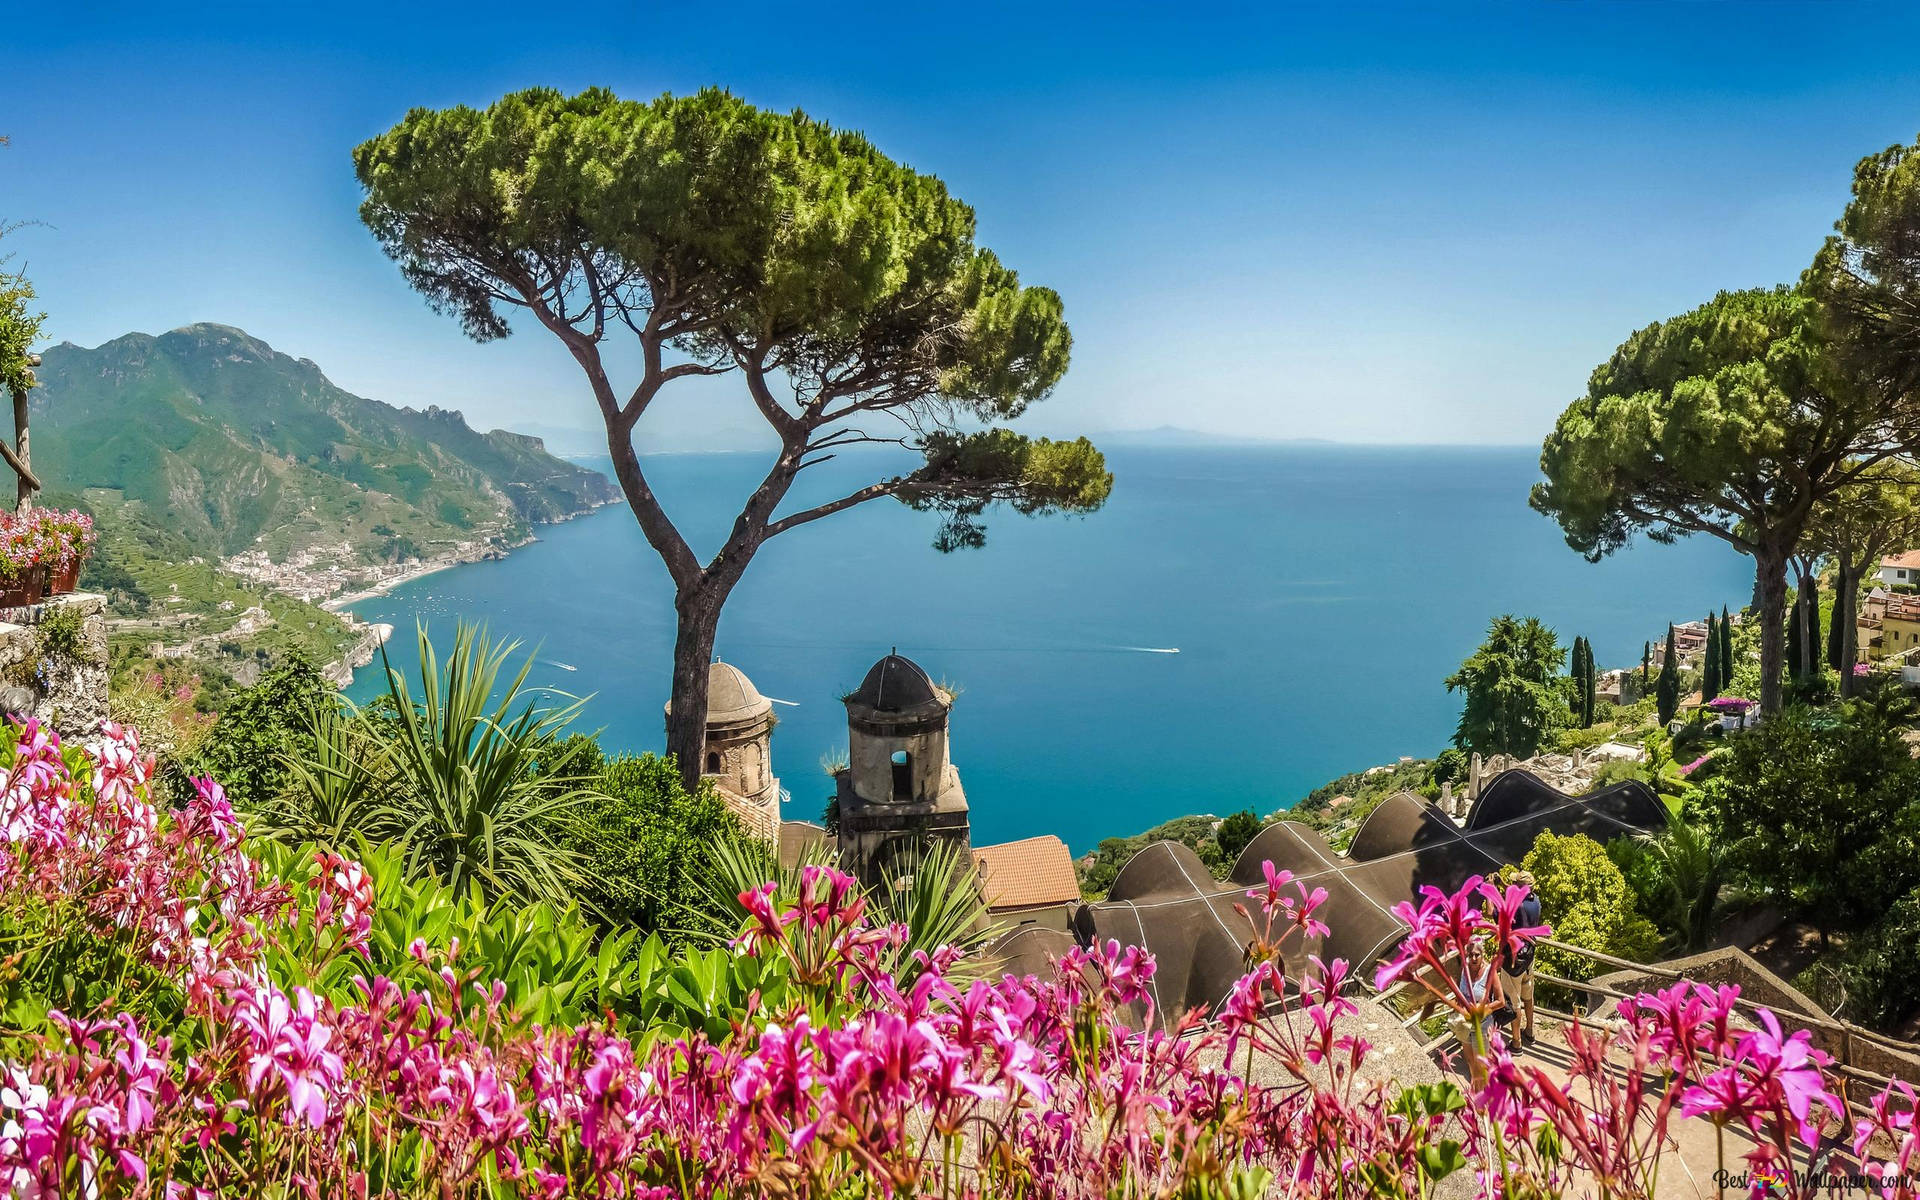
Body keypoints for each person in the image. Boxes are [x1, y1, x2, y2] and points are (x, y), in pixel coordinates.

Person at [1449, 937, 1505, 1088]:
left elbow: (1501, 1001)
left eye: (1477, 955)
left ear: (1483, 954)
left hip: (1482, 1024)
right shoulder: (1464, 969)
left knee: (1481, 1063)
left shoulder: (1490, 972)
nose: (1473, 958)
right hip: (1465, 1024)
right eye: (1470, 955)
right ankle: (1476, 1087)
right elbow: (1460, 993)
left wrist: (1482, 1009)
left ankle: (1485, 1093)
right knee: (1470, 1061)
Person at [1500, 870, 1542, 1048]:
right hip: (1529, 956)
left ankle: (1516, 1043)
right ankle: (1530, 1031)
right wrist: (1503, 885)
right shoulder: (1536, 900)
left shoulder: (1514, 906)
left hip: (1513, 960)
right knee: (1528, 996)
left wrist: (1492, 888)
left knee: (1513, 1002)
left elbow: (1492, 913)